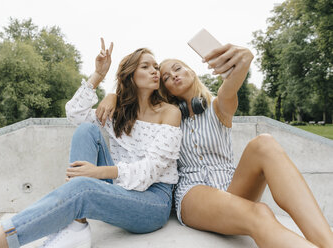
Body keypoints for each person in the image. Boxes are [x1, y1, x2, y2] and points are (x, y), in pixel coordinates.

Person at [97, 43, 333, 247]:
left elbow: (231, 84)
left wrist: (244, 59)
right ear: (164, 88)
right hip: (193, 192)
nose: (173, 76)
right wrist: (113, 95)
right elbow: (136, 99)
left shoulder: (218, 108)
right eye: (166, 77)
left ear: (192, 71)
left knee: (265, 143)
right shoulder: (165, 117)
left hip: (232, 186)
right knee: (260, 213)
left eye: (178, 68)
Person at [0, 38, 182, 248]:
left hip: (152, 204)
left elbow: (150, 170)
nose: (155, 70)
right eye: (146, 66)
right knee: (86, 129)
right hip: (120, 191)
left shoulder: (169, 113)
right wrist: (98, 75)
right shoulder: (119, 113)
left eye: (156, 66)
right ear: (130, 76)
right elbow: (75, 114)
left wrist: (98, 173)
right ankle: (76, 226)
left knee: (82, 186)